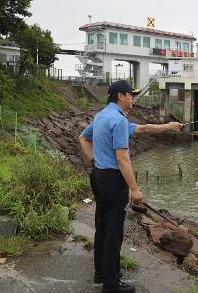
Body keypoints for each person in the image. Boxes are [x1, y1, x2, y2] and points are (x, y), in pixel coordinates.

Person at [78, 80, 182, 293]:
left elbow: (84, 138)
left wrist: (169, 126)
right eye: (130, 94)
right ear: (120, 96)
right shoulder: (118, 120)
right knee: (114, 233)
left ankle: (101, 274)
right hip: (113, 181)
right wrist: (134, 189)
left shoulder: (102, 116)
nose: (133, 98)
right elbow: (122, 158)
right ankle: (111, 284)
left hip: (98, 176)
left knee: (103, 226)